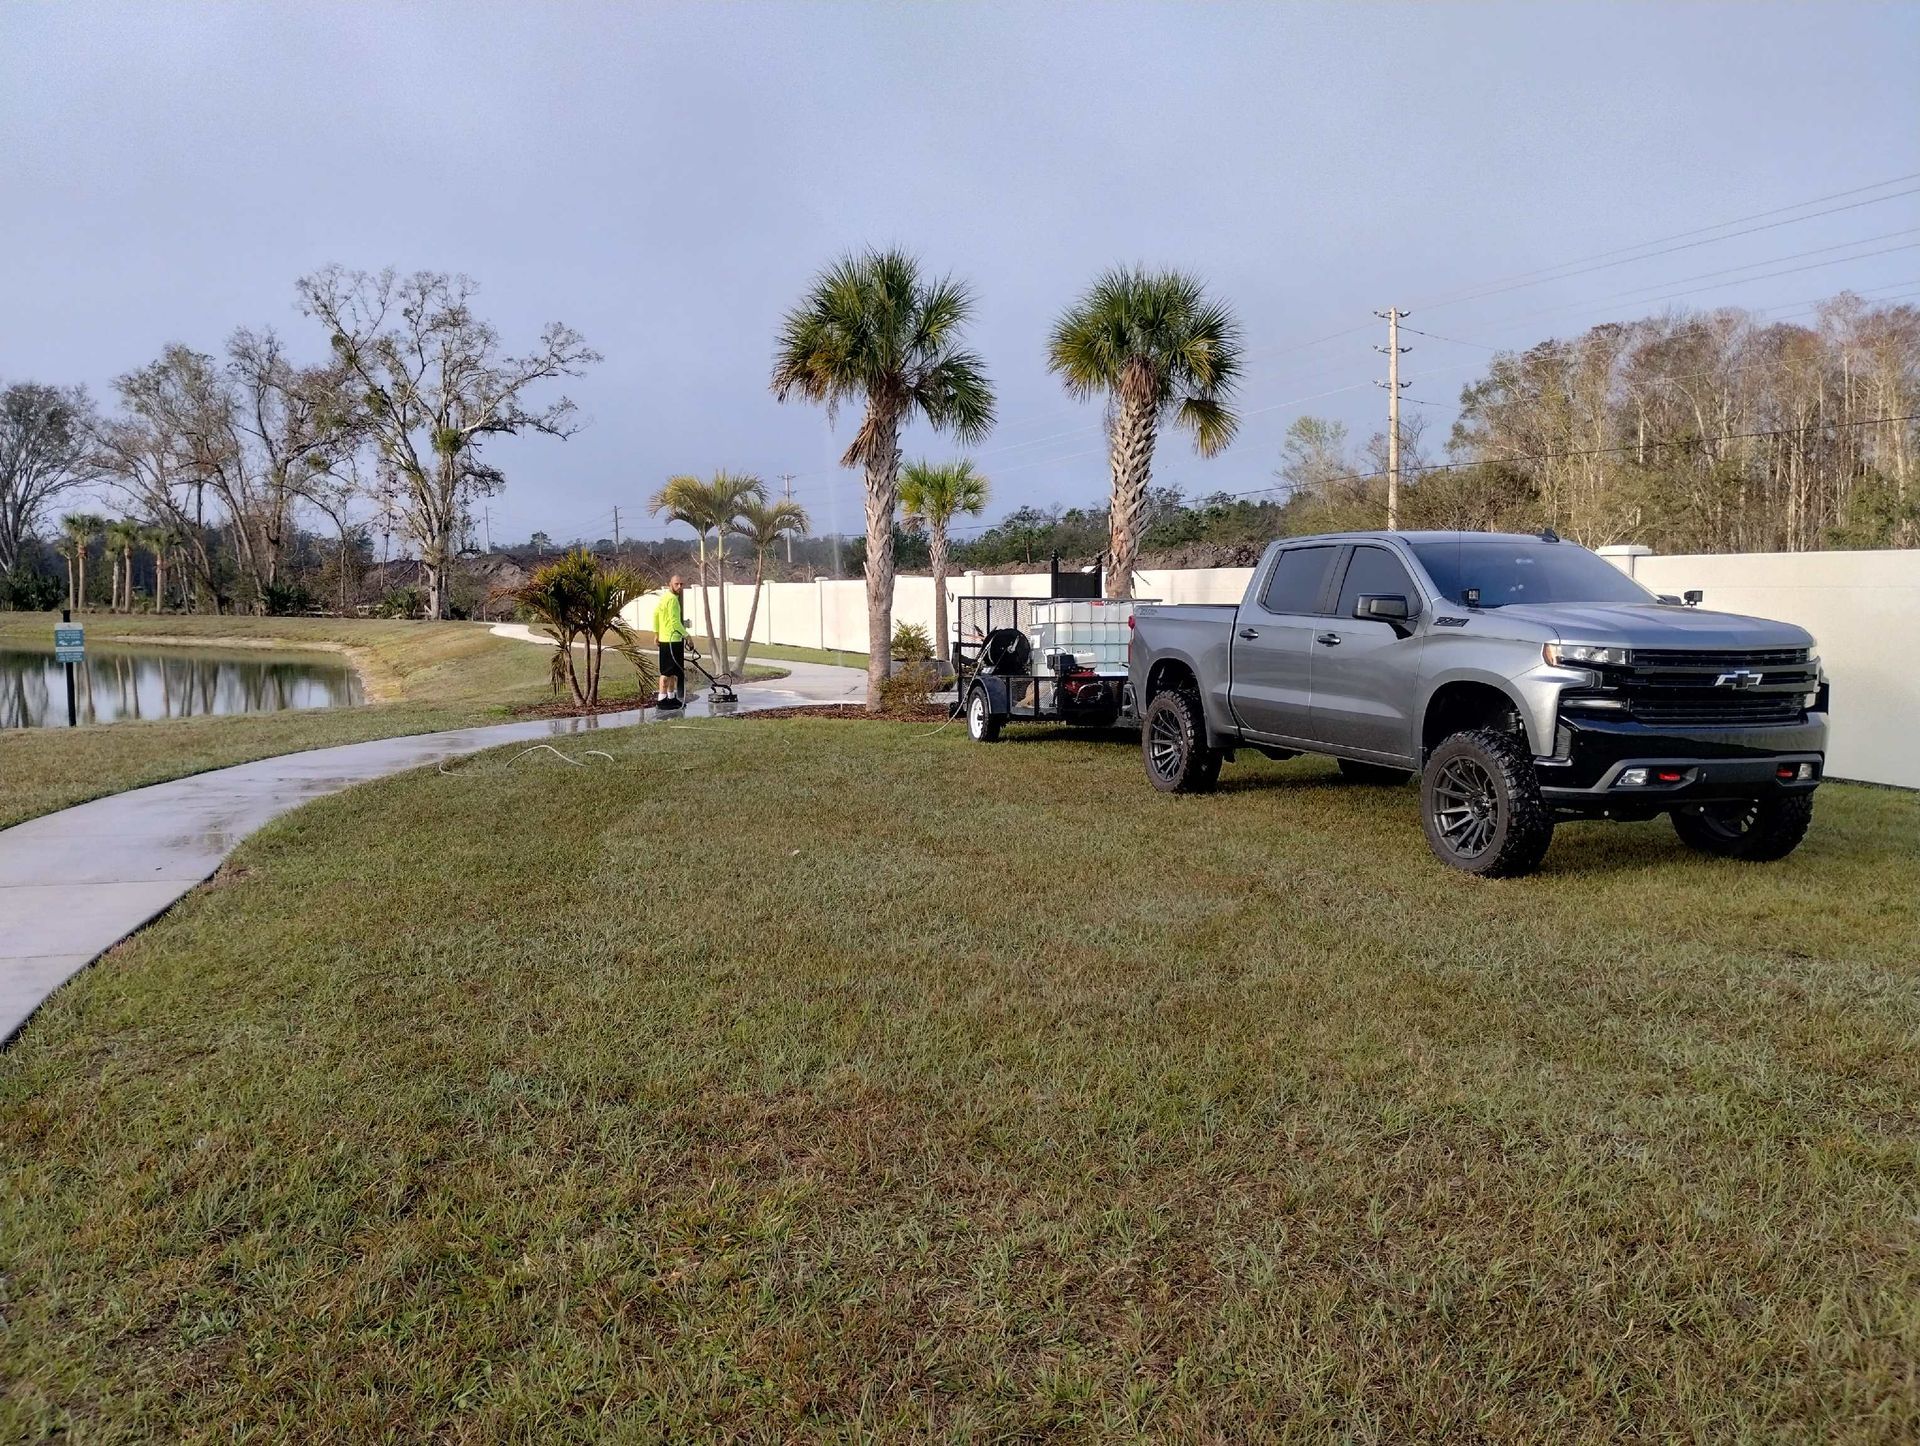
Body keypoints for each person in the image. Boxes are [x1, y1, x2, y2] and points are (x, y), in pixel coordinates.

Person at [653, 575, 687, 709]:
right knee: (666, 672)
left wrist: (656, 633)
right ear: (670, 585)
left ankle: (671, 698)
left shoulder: (664, 598)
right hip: (671, 640)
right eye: (676, 584)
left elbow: (655, 614)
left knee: (673, 671)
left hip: (670, 639)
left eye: (681, 584)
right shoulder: (672, 600)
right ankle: (662, 700)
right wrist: (687, 635)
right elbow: (675, 622)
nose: (679, 587)